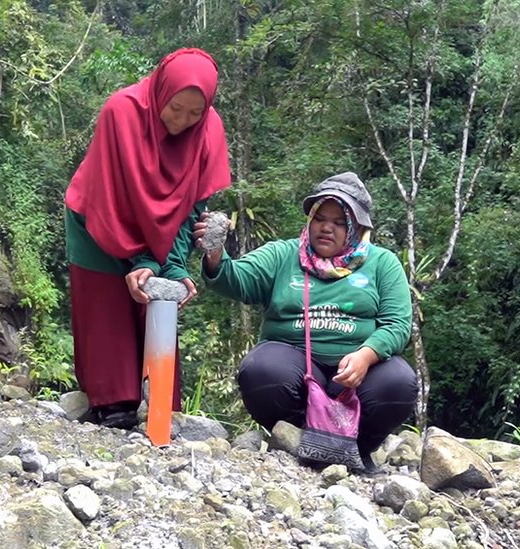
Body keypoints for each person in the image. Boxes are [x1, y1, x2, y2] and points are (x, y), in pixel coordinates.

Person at [193, 172, 417, 473]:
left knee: (398, 383)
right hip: (294, 364)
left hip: (358, 371)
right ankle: (299, 441)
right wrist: (215, 252)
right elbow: (235, 280)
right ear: (309, 219)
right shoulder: (283, 254)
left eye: (339, 222)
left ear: (357, 227)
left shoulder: (382, 262)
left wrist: (367, 355)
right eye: (320, 218)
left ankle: (359, 449)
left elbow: (397, 324)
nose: (327, 227)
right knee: (260, 371)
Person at [64, 48, 231, 428]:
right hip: (98, 220)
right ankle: (110, 402)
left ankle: (157, 409)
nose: (182, 121)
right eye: (175, 108)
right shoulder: (120, 112)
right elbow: (111, 197)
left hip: (166, 230)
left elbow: (192, 205)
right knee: (108, 308)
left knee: (159, 297)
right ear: (160, 92)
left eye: (194, 113)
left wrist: (173, 265)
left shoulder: (208, 131)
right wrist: (142, 258)